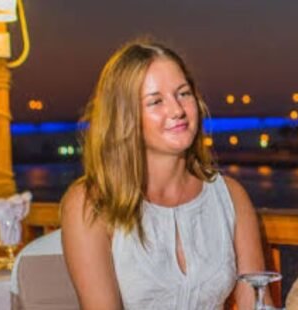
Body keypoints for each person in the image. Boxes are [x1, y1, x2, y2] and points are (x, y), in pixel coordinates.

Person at [60, 39, 267, 309]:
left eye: (183, 94)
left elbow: (257, 303)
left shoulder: (231, 196)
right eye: (155, 101)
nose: (177, 110)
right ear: (125, 116)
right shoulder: (89, 205)